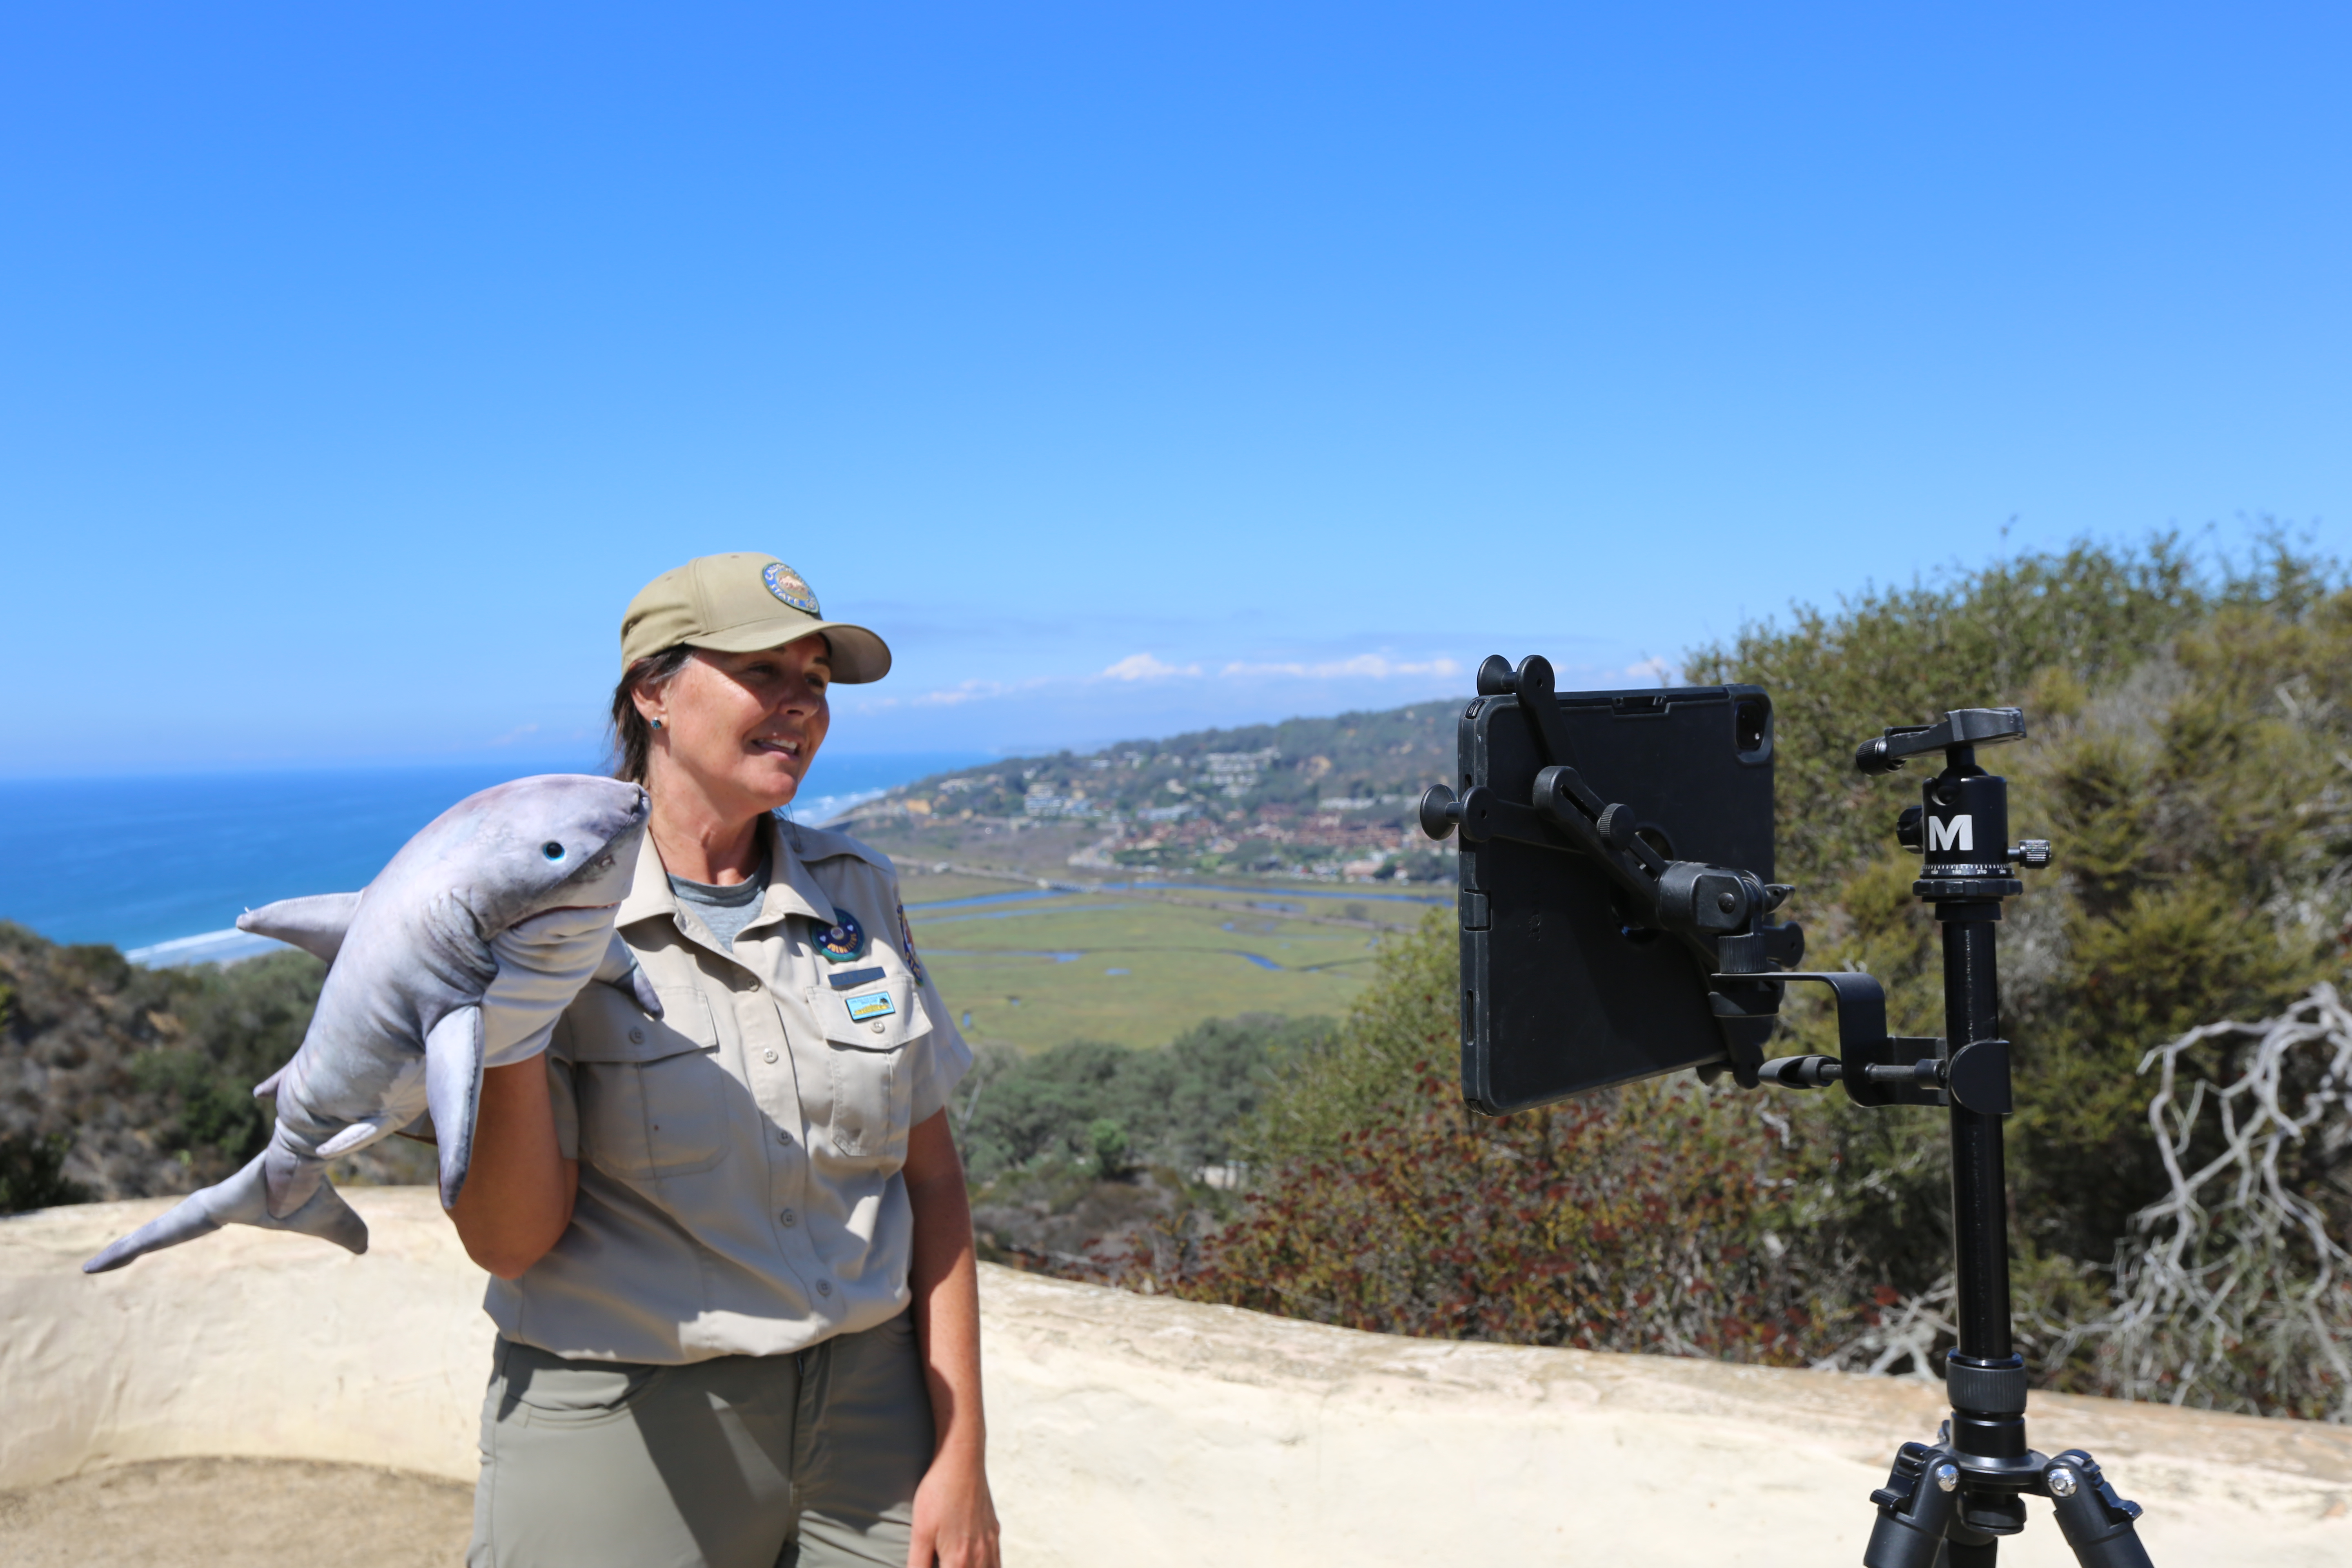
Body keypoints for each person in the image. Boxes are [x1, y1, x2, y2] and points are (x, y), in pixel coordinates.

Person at [449, 552, 1000, 1568]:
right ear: (653, 691)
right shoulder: (544, 916)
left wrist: (962, 1452)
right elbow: (510, 1242)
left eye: (817, 683)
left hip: (871, 1420)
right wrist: (510, 1023)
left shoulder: (856, 891)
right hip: (633, 1419)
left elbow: (932, 1181)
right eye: (765, 674)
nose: (801, 706)